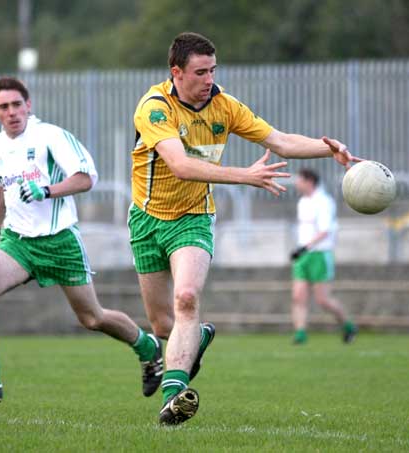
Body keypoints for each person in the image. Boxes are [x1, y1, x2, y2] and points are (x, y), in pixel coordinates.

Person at [129, 31, 361, 425]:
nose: (208, 80)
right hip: (147, 220)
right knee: (163, 324)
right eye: (200, 72)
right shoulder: (154, 108)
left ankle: (173, 398)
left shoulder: (225, 105)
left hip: (194, 218)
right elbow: (181, 166)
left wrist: (329, 148)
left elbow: (281, 141)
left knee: (186, 297)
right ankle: (198, 337)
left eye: (212, 70)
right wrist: (245, 176)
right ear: (176, 73)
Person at [0, 77, 163, 405]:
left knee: (92, 318)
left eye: (16, 104)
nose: (11, 112)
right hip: (18, 241)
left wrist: (47, 190)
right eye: (3, 107)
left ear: (29, 105)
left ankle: (147, 347)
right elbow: (1, 186)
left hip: (60, 242)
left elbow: (87, 178)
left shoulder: (49, 136)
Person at [290, 168, 358, 344]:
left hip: (319, 254)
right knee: (298, 296)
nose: (297, 183)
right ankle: (300, 334)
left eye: (300, 180)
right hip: (303, 254)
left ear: (310, 181)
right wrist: (301, 249)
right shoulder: (303, 202)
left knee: (323, 300)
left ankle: (348, 325)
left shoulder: (324, 202)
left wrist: (305, 247)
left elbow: (325, 231)